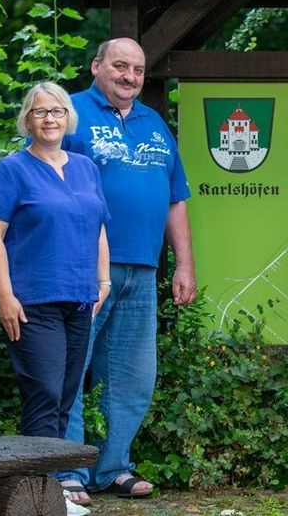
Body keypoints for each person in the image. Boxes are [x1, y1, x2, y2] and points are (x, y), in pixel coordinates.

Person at [56, 38, 197, 504]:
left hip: (141, 269)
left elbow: (175, 199)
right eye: (120, 66)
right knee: (71, 372)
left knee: (133, 376)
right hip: (81, 269)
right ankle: (68, 470)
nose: (129, 76)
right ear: (97, 66)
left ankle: (112, 468)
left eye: (137, 69)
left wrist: (184, 265)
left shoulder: (154, 123)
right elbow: (39, 178)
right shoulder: (68, 113)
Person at [0, 81, 111, 516]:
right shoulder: (12, 169)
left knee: (67, 396)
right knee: (44, 394)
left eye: (56, 111)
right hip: (32, 301)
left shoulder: (85, 168)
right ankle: (40, 496)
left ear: (67, 117)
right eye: (40, 112)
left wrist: (103, 284)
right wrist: (4, 295)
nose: (49, 119)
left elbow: (99, 228)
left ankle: (42, 493)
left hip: (79, 300)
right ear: (27, 120)